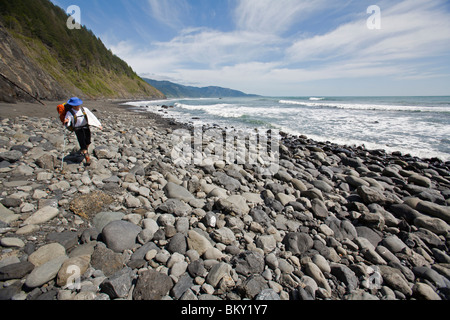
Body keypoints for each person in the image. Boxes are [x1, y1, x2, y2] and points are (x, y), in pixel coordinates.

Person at [63, 97, 102, 165]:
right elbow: (68, 119)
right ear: (72, 105)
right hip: (77, 129)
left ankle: (85, 149)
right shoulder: (70, 112)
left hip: (86, 127)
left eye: (77, 105)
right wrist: (66, 121)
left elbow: (92, 116)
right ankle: (86, 156)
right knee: (82, 142)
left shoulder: (84, 109)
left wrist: (98, 124)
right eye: (75, 105)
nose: (76, 106)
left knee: (88, 141)